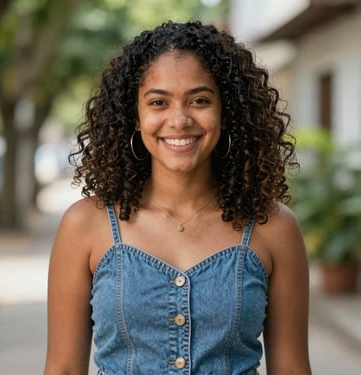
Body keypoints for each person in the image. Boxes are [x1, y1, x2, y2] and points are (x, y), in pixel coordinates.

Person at [44, 21, 311, 375]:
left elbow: (292, 369)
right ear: (134, 116)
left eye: (200, 100)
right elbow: (62, 368)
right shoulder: (85, 225)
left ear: (226, 110)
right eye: (158, 102)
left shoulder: (273, 227)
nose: (180, 119)